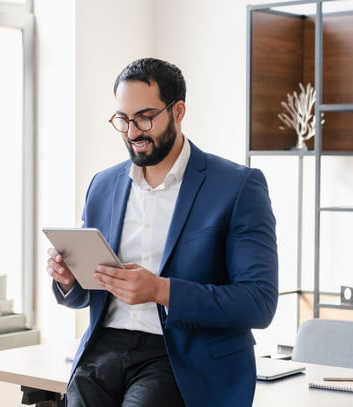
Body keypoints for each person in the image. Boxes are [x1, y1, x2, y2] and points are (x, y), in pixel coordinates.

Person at [47, 58, 278, 407]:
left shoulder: (237, 186)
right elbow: (87, 292)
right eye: (123, 119)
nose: (132, 132)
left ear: (178, 111)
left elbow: (258, 303)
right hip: (104, 347)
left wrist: (162, 290)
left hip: (182, 357)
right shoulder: (103, 184)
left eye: (144, 117)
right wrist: (68, 278)